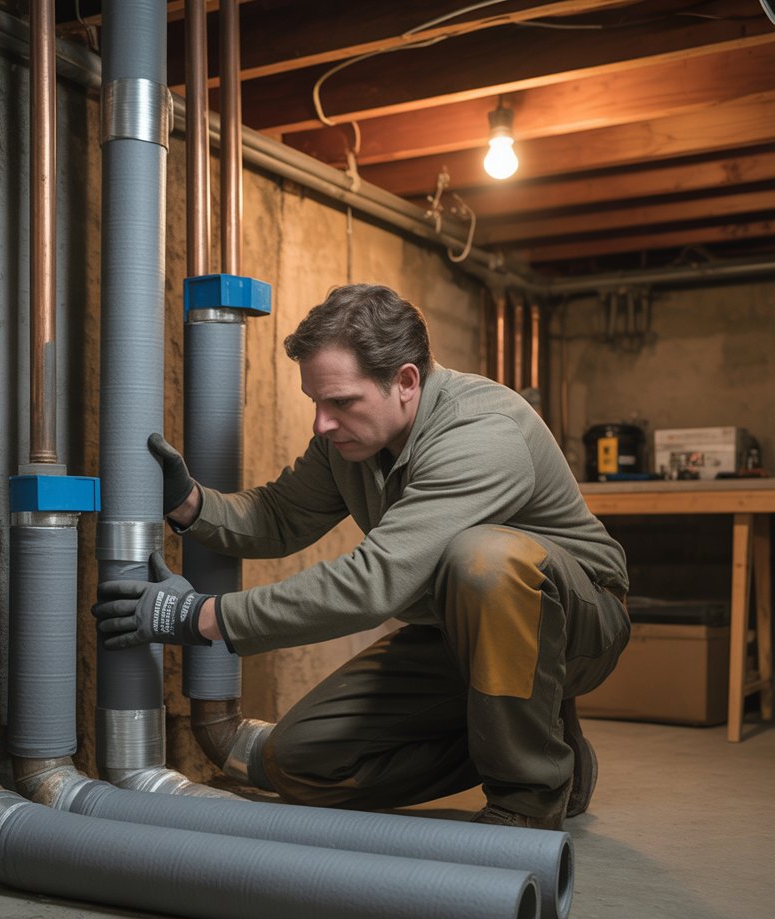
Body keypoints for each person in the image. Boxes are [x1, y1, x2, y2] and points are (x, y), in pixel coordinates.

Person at [94, 283, 630, 829]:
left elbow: (375, 582)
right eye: (316, 403)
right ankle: (548, 741)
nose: (322, 424)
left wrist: (199, 617)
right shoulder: (349, 443)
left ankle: (529, 796)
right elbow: (281, 515)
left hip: (571, 625)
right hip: (456, 632)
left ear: (405, 380)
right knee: (299, 762)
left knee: (486, 559)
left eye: (342, 402)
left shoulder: (484, 433)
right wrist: (192, 504)